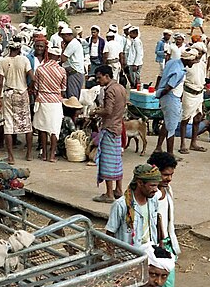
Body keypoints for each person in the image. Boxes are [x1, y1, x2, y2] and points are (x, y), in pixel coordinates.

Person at [92, 65, 127, 203]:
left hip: (110, 127)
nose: (98, 81)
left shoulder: (110, 90)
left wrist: (95, 111)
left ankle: (109, 194)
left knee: (107, 161)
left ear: (107, 76)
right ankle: (118, 190)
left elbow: (108, 110)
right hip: (118, 126)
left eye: (100, 78)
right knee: (117, 160)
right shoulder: (121, 88)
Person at [148, 151, 180, 287]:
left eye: (171, 175)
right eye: (165, 174)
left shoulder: (167, 190)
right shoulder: (150, 196)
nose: (169, 179)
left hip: (168, 245)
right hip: (156, 246)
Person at [0, 41, 33, 164]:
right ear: (19, 49)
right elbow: (32, 77)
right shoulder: (24, 60)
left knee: (9, 126)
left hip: (9, 94)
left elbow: (0, 82)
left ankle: (11, 157)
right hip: (22, 93)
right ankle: (28, 154)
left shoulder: (3, 61)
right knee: (26, 124)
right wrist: (30, 88)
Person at [106, 163, 161, 245]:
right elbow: (110, 234)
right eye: (152, 186)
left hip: (150, 249)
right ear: (140, 183)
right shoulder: (121, 205)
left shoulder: (153, 200)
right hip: (129, 254)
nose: (156, 190)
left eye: (156, 186)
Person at [155, 49, 194, 154]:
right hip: (171, 97)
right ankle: (170, 154)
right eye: (192, 61)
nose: (193, 63)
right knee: (171, 127)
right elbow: (169, 87)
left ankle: (158, 147)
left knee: (167, 123)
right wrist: (159, 95)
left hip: (167, 97)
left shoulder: (172, 62)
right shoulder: (180, 71)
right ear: (187, 60)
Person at [33, 43, 67, 162]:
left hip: (42, 100)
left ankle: (44, 154)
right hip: (55, 102)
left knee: (42, 128)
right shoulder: (62, 71)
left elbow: (35, 87)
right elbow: (63, 89)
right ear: (58, 57)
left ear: (48, 55)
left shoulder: (40, 69)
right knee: (54, 129)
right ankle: (52, 155)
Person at [179, 47, 206, 155]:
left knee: (198, 117)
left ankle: (193, 143)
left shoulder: (202, 64)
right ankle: (182, 144)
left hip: (199, 93)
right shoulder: (187, 65)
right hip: (189, 93)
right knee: (185, 119)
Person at [61, 27, 85, 99]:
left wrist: (63, 48)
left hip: (74, 73)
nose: (63, 39)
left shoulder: (72, 44)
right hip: (74, 72)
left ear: (68, 35)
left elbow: (63, 59)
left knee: (72, 98)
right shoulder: (74, 43)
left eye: (63, 36)